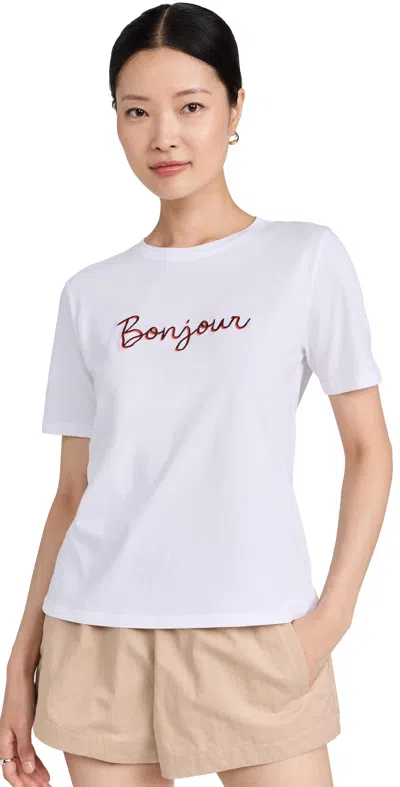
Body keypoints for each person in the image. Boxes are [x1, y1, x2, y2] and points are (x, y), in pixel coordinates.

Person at [0, 3, 392, 786]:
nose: (164, 137)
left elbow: (368, 448)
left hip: (255, 633)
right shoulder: (90, 295)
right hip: (99, 636)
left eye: (191, 106)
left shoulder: (305, 258)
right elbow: (73, 492)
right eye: (136, 112)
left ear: (236, 108)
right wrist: (21, 660)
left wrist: (330, 621)